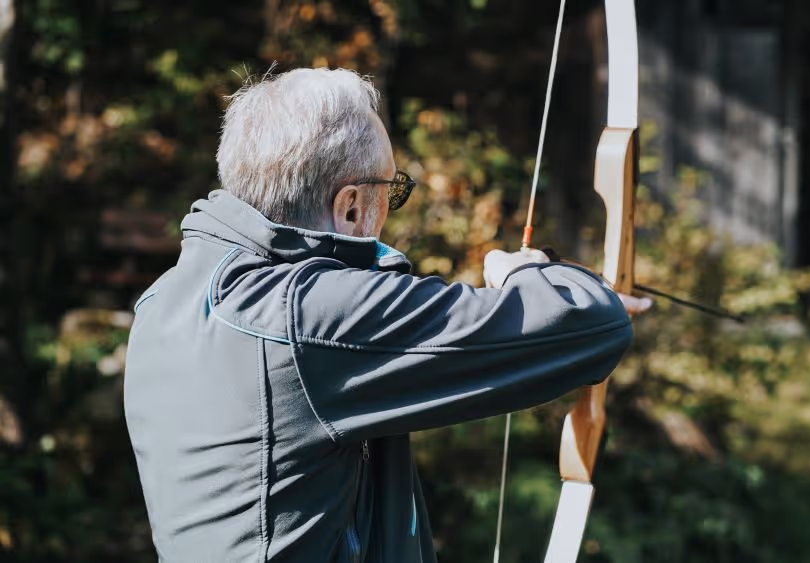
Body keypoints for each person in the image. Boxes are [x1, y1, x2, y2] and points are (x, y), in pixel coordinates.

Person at [124, 67, 643, 563]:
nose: (390, 210)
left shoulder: (164, 301)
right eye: (391, 191)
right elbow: (590, 326)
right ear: (350, 205)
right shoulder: (301, 317)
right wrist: (520, 273)